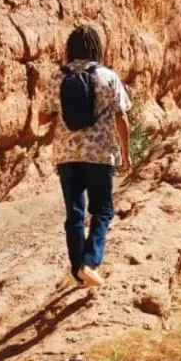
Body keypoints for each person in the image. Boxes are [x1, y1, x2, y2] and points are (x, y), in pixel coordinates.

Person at [42, 24, 133, 289]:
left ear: (70, 47)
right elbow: (121, 116)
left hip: (66, 154)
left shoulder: (58, 77)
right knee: (102, 210)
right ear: (96, 47)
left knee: (74, 213)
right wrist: (126, 153)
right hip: (101, 154)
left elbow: (43, 115)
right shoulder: (108, 76)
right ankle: (90, 263)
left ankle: (77, 269)